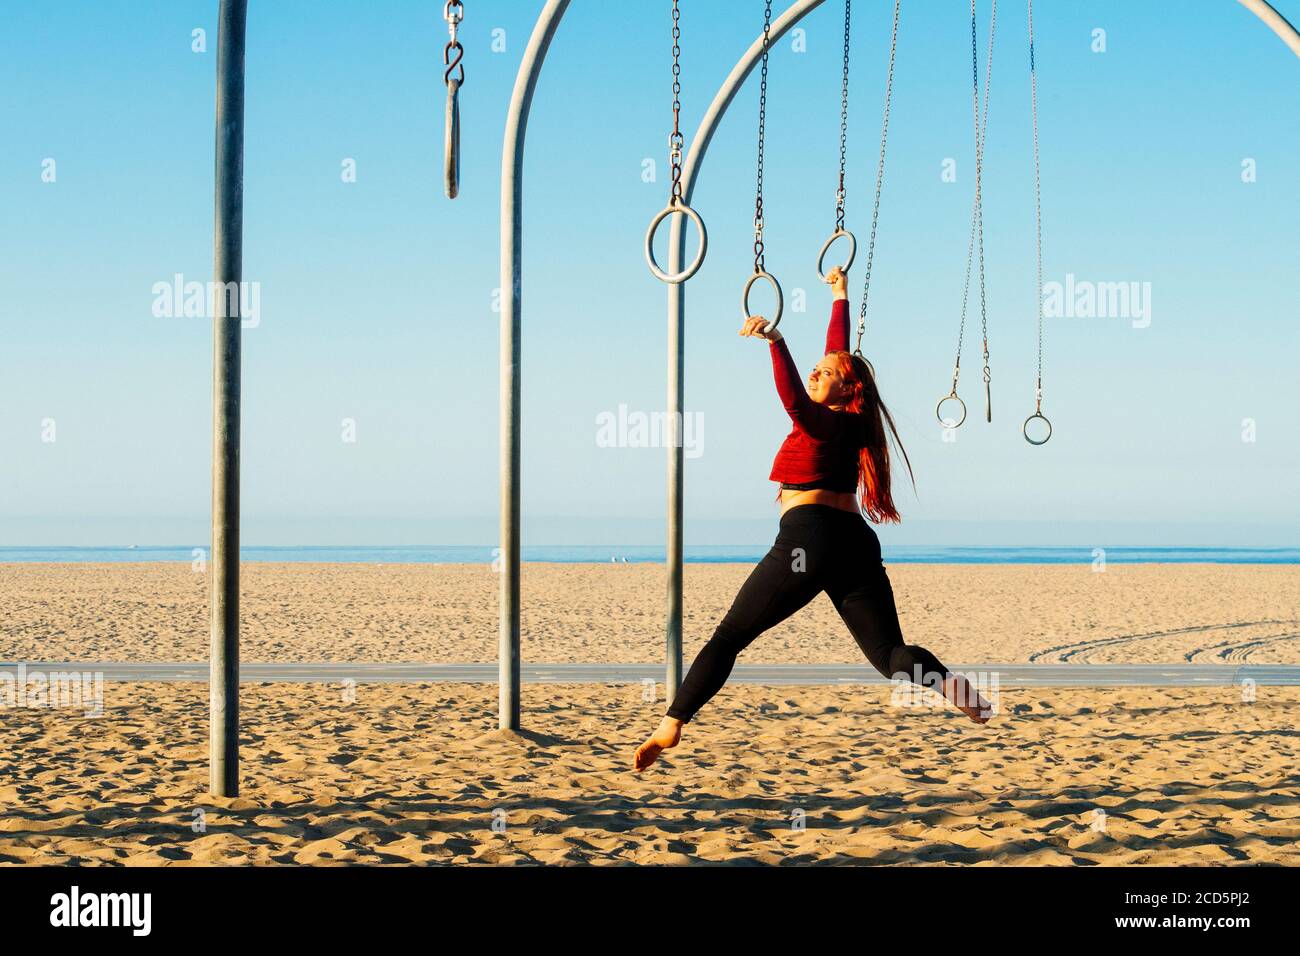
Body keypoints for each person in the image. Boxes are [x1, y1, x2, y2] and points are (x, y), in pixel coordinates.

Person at [633, 266, 993, 772]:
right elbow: (837, 357)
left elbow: (796, 402)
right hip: (855, 545)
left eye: (826, 373)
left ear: (846, 391)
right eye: (816, 367)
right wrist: (839, 297)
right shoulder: (850, 415)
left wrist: (776, 341)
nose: (816, 372)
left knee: (729, 637)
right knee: (891, 656)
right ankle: (953, 687)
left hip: (811, 539)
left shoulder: (824, 421)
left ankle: (672, 723)